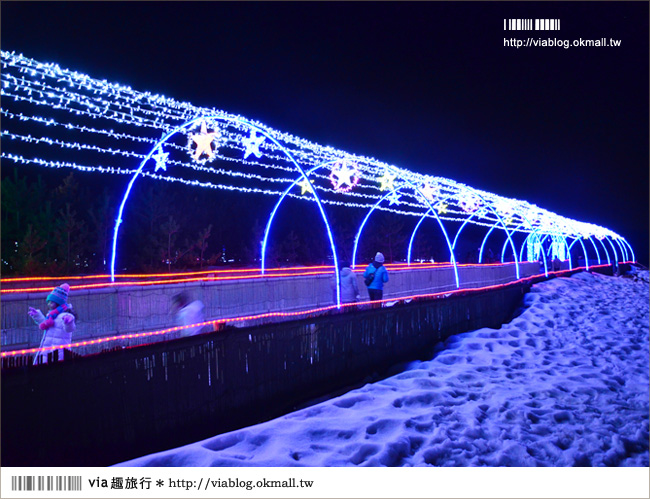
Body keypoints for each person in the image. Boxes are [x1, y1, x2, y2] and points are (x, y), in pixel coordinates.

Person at [28, 283, 76, 364]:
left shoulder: (65, 315)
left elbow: (69, 329)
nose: (49, 304)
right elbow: (47, 325)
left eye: (51, 302)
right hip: (47, 350)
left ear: (58, 303)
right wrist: (37, 315)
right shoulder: (51, 315)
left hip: (59, 353)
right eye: (48, 302)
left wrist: (69, 322)